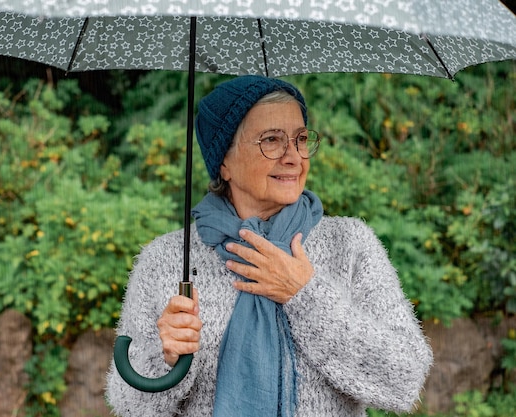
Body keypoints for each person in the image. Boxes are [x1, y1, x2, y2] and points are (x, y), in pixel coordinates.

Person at [106, 75, 433, 416]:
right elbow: (128, 405)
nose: (293, 157)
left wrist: (304, 294)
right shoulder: (168, 259)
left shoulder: (349, 245)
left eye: (301, 139)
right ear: (224, 163)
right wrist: (166, 356)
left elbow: (403, 378)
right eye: (271, 140)